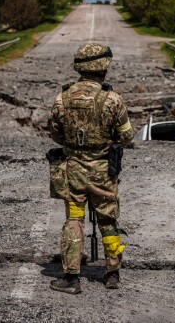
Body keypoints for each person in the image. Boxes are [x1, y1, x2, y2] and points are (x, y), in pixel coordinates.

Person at [47, 43, 134, 294]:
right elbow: (126, 137)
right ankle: (112, 274)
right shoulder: (112, 99)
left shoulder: (62, 97)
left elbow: (55, 134)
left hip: (73, 170)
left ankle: (71, 278)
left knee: (74, 218)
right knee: (108, 220)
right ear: (103, 67)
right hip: (104, 173)